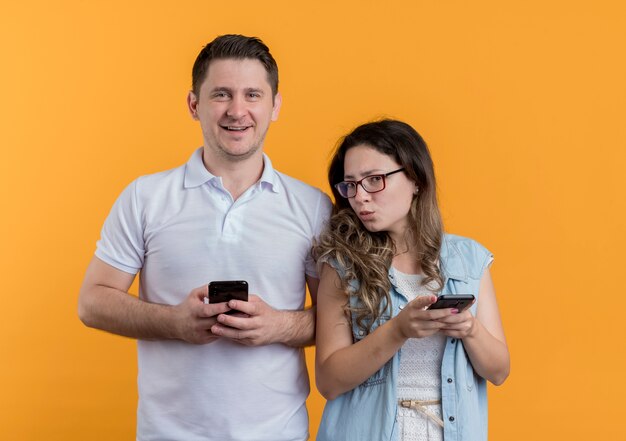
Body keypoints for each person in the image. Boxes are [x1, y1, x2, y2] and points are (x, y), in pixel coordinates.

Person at [78, 34, 331, 441]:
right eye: (221, 94)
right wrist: (174, 322)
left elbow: (339, 320)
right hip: (166, 434)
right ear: (194, 105)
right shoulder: (145, 197)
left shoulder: (313, 207)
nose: (237, 110)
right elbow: (92, 302)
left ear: (275, 105)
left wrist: (278, 325)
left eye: (252, 94)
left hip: (277, 434)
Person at [313, 119, 509, 441]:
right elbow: (329, 381)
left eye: (374, 180)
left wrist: (470, 329)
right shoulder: (342, 264)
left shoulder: (469, 259)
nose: (360, 197)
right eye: (350, 184)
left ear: (415, 179)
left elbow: (499, 371)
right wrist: (398, 330)